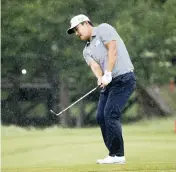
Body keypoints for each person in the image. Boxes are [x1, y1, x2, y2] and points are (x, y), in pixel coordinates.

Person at [67, 14, 136, 164]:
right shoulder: (86, 51)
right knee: (100, 116)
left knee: (110, 114)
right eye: (74, 32)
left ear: (85, 23)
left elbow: (113, 50)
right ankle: (113, 154)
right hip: (109, 83)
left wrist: (108, 73)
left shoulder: (104, 29)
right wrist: (100, 77)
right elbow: (95, 66)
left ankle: (118, 155)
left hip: (124, 78)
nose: (76, 34)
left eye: (77, 29)